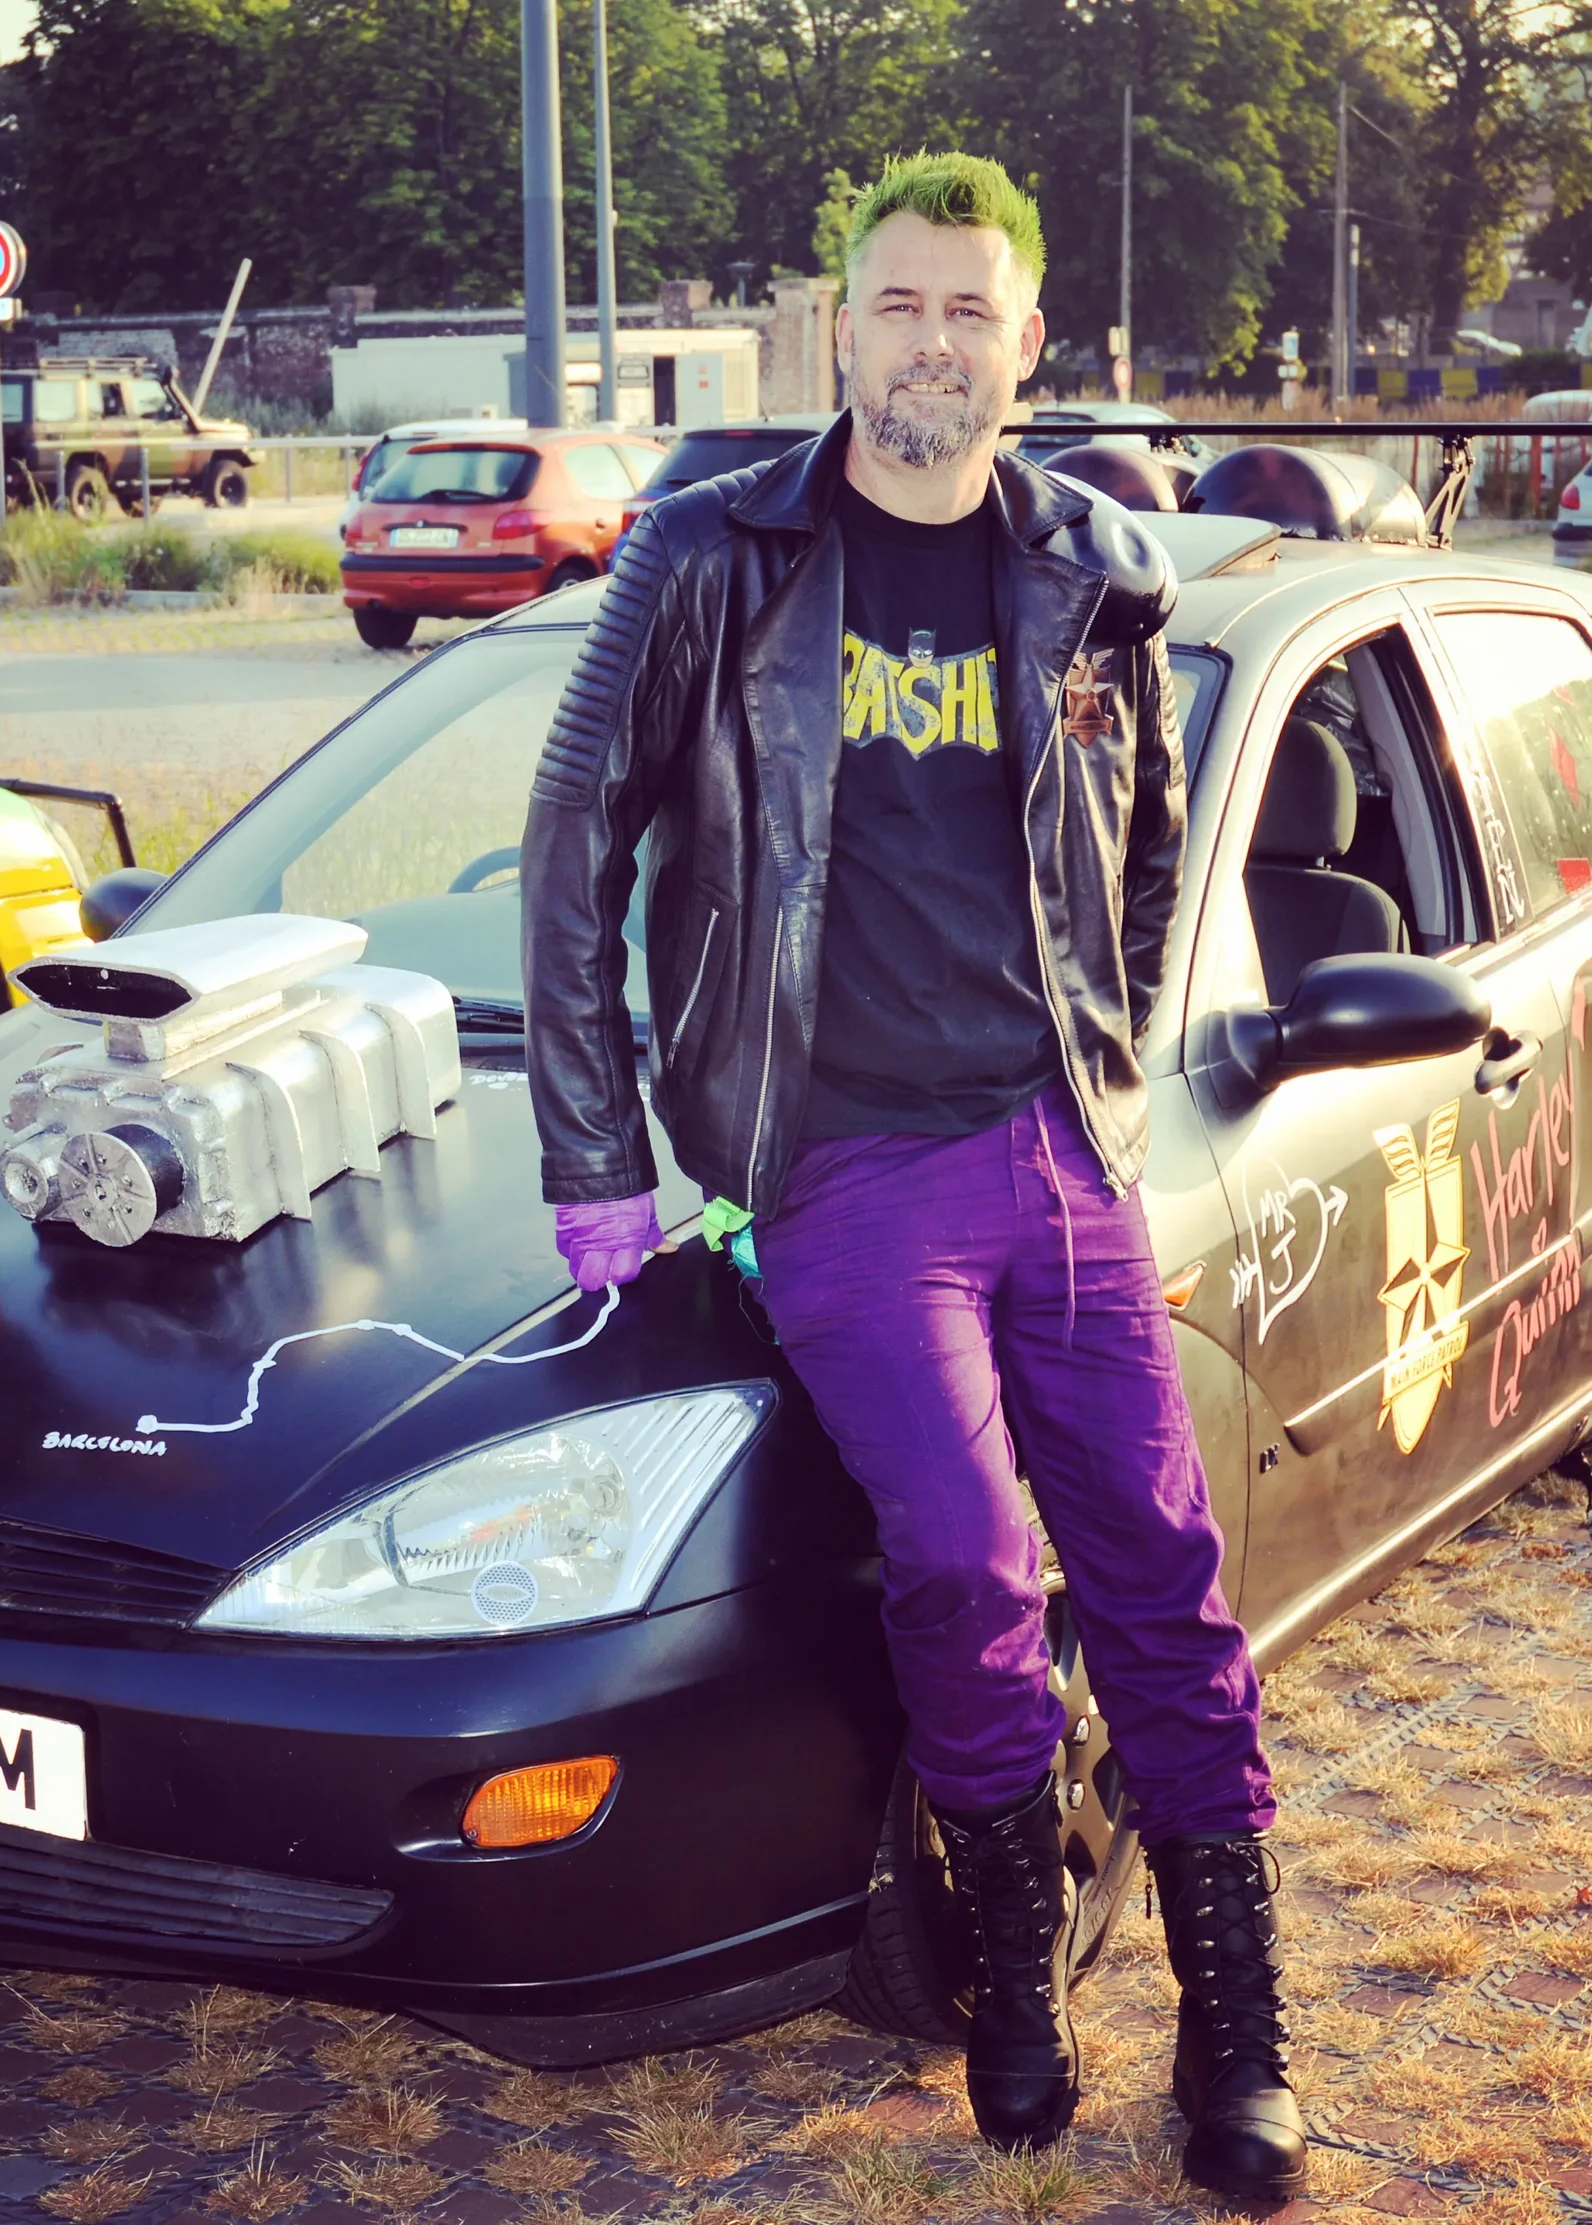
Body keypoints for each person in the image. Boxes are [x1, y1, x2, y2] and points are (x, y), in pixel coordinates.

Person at [520, 154, 1303, 2202]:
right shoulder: (711, 555)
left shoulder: (1089, 566)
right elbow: (573, 835)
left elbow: (1143, 845)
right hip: (845, 1163)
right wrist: (600, 1154)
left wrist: (1106, 1072)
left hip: (1051, 1146)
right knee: (963, 1562)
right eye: (899, 304)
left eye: (970, 310)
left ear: (1025, 344)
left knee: (1159, 1560)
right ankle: (1013, 1967)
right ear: (841, 329)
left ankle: (1234, 2020)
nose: (932, 343)